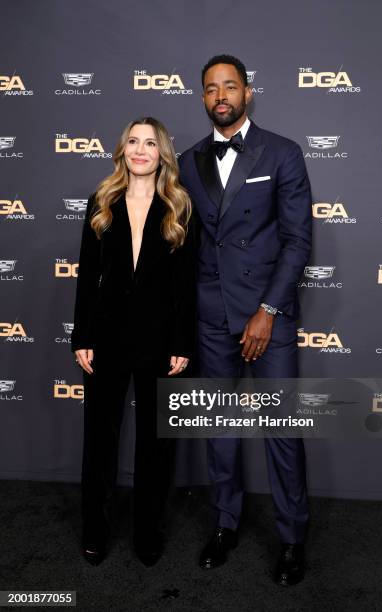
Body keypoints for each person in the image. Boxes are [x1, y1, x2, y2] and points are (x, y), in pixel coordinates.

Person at [178, 55, 312, 586]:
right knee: (221, 429)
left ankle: (292, 537)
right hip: (212, 317)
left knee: (281, 432)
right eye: (211, 89)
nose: (221, 96)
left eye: (230, 86)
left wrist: (268, 311)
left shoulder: (283, 153)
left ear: (248, 93)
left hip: (268, 318)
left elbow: (298, 240)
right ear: (204, 98)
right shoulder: (186, 161)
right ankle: (225, 524)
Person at [71, 117, 196, 567]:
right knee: (100, 442)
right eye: (132, 142)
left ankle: (148, 531)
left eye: (149, 143)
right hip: (106, 338)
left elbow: (186, 286)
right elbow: (87, 278)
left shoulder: (180, 207)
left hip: (161, 341)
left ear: (162, 152)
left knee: (155, 446)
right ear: (122, 150)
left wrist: (183, 341)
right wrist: (81, 335)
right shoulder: (101, 203)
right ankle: (95, 531)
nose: (140, 150)